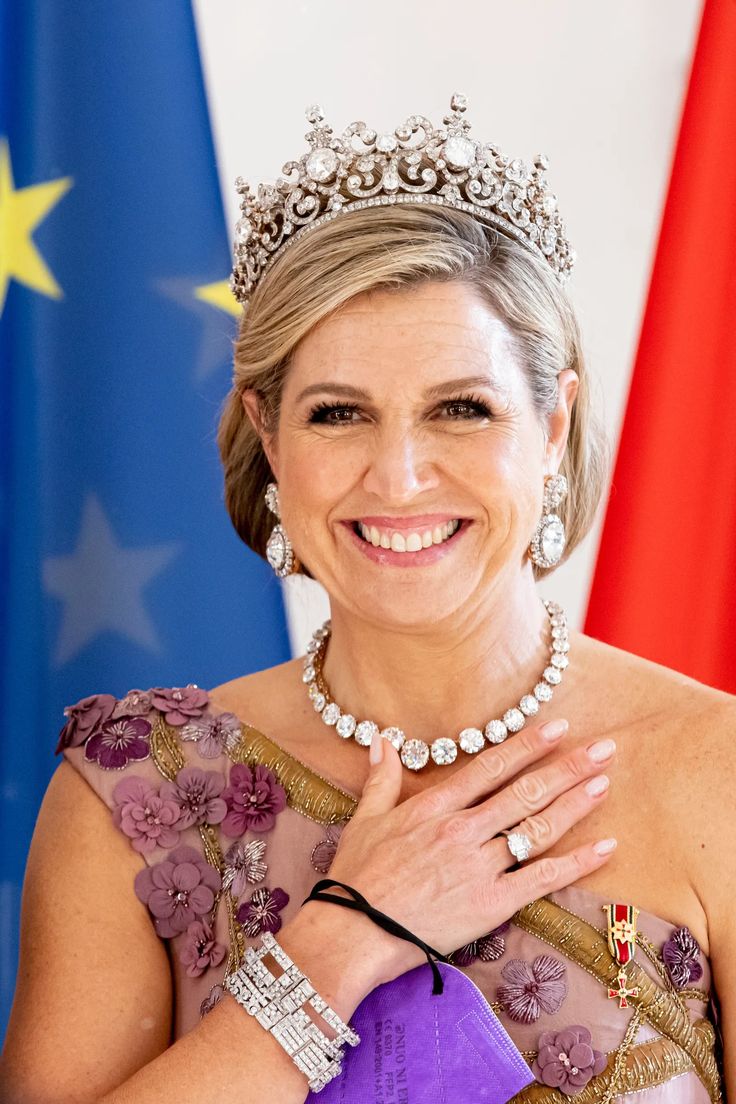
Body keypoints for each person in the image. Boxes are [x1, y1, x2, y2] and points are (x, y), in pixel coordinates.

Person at [1, 93, 733, 1104]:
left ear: (553, 424)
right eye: (338, 413)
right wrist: (342, 941)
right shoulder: (136, 792)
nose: (396, 479)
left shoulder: (716, 775)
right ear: (268, 432)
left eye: (461, 409)